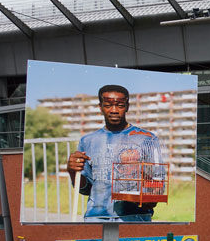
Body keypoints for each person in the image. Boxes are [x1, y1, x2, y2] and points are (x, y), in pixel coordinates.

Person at [67, 85, 163, 222]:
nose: (113, 110)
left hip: (134, 217)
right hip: (96, 217)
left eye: (120, 105)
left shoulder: (146, 138)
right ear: (100, 107)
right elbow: (85, 190)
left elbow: (158, 185)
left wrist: (146, 197)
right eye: (107, 105)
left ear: (127, 106)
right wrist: (72, 172)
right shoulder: (88, 141)